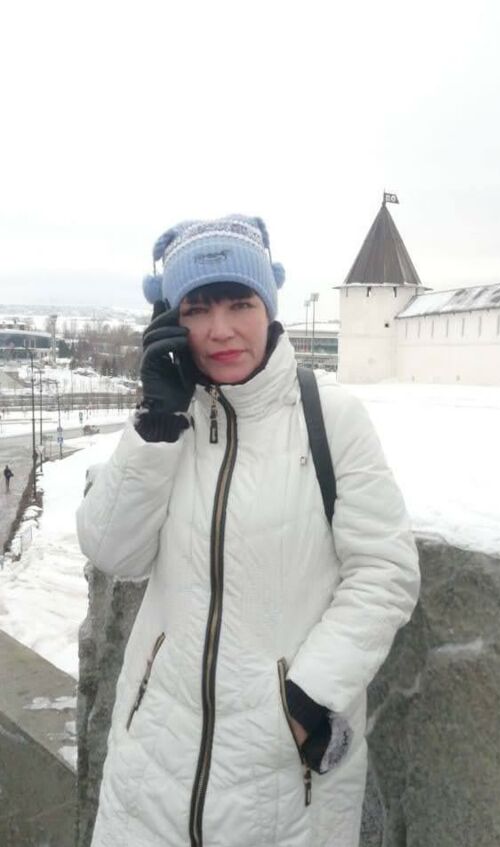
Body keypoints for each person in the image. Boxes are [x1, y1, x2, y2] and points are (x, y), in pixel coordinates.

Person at [76, 215, 420, 847]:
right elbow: (113, 553)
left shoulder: (331, 419)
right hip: (152, 768)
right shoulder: (170, 421)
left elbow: (385, 572)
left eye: (240, 303)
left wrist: (307, 700)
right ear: (170, 318)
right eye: (197, 308)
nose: (220, 329)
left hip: (282, 779)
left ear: (269, 307)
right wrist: (156, 425)